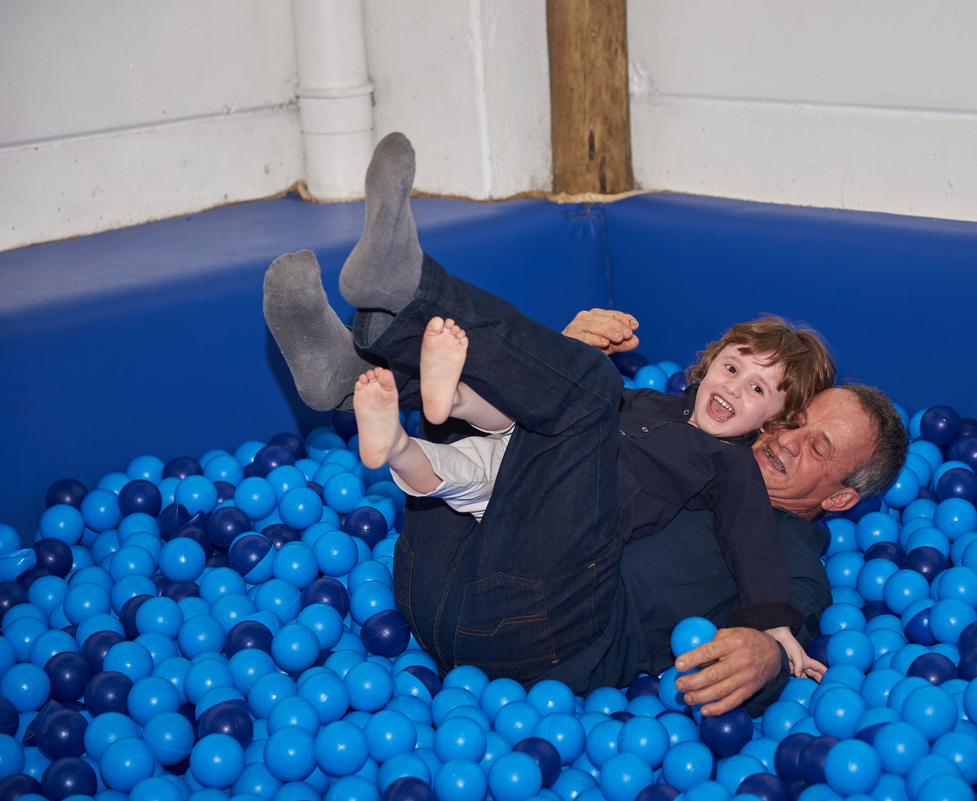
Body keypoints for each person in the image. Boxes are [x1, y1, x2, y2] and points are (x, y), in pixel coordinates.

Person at [263, 132, 908, 714]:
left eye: (815, 444)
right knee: (539, 396)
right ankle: (348, 378)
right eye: (793, 422)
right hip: (436, 576)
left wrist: (768, 655)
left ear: (843, 495)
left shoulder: (793, 555)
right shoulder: (661, 415)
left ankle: (407, 291)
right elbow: (545, 427)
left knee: (591, 392)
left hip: (540, 639)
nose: (785, 440)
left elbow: (786, 622)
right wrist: (552, 360)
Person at [352, 306, 836, 675]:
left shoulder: (731, 466)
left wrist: (772, 624)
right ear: (708, 366)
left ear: (772, 420)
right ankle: (416, 425)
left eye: (757, 390)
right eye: (732, 370)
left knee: (570, 397)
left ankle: (438, 394)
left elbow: (752, 541)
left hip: (575, 520)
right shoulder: (650, 401)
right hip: (529, 468)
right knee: (469, 465)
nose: (734, 389)